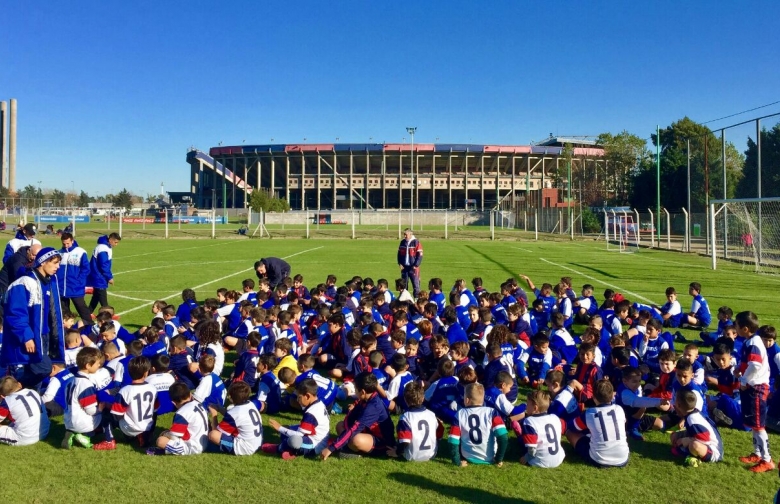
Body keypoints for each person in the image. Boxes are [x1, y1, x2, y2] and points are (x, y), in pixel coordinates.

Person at [1, 247, 66, 390]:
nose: (57, 267)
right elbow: (16, 314)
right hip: (31, 337)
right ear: (43, 262)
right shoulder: (25, 283)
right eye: (54, 263)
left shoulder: (49, 281)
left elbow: (52, 311)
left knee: (35, 374)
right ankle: (14, 387)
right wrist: (27, 337)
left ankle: (31, 401)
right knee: (44, 368)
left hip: (44, 336)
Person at [320, 372, 395, 460]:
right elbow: (350, 418)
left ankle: (346, 450)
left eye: (355, 389)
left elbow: (355, 428)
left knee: (356, 440)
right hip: (367, 432)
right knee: (340, 425)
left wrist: (330, 448)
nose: (354, 392)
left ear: (362, 392)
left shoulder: (373, 407)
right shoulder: (365, 399)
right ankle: (345, 446)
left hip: (382, 442)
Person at [734, 311, 775, 472]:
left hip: (756, 388)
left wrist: (744, 380)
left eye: (736, 325)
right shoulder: (751, 340)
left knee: (758, 426)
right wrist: (740, 369)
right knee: (753, 424)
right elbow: (750, 363)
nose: (735, 327)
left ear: (744, 328)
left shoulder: (753, 343)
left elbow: (756, 365)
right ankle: (758, 454)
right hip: (752, 387)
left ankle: (767, 460)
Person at [95, 356, 157, 450]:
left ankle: (109, 441)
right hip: (147, 426)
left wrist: (107, 406)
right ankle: (144, 435)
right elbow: (155, 410)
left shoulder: (125, 391)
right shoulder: (153, 388)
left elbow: (117, 415)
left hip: (130, 427)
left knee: (107, 412)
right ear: (146, 373)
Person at [566, 379, 629, 468]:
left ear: (593, 397)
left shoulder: (590, 413)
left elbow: (572, 427)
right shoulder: (619, 409)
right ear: (612, 395)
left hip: (599, 459)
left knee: (570, 432)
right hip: (623, 458)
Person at [262, 378, 331, 459]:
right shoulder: (319, 403)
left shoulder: (311, 413)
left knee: (293, 440)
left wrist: (279, 428)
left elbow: (298, 435)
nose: (297, 400)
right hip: (317, 437)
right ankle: (292, 452)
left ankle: (278, 448)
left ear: (307, 396)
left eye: (299, 397)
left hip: (315, 445)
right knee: (285, 433)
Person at [448, 382, 508, 467]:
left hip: (467, 456)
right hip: (490, 457)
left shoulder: (459, 414)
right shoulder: (492, 412)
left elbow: (453, 441)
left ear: (467, 400)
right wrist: (499, 458)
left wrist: (457, 461)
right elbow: (503, 437)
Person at [151, 382, 210, 456]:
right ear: (190, 395)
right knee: (165, 434)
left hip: (193, 447)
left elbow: (174, 436)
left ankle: (167, 451)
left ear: (174, 403)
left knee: (161, 441)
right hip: (204, 441)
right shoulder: (198, 404)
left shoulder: (182, 412)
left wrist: (165, 434)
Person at [62, 347, 104, 449]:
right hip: (81, 422)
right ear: (88, 365)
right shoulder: (85, 384)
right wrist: (101, 408)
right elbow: (91, 410)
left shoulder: (70, 381)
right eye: (97, 363)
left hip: (68, 421)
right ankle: (85, 436)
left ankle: (72, 432)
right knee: (107, 415)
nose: (99, 365)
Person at [208, 381, 264, 456]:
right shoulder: (250, 404)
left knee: (213, 435)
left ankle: (226, 445)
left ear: (231, 397)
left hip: (244, 448)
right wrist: (220, 408)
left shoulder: (235, 413)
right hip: (256, 443)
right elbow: (234, 417)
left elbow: (216, 432)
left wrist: (214, 414)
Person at [388, 382, 438, 462]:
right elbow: (439, 433)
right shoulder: (432, 414)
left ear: (405, 399)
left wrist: (397, 452)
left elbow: (405, 441)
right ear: (423, 398)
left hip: (412, 456)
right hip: (432, 453)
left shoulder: (406, 418)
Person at [670, 390, 723, 464]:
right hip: (701, 440)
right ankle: (685, 449)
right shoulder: (692, 414)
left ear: (678, 405)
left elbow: (705, 438)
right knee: (674, 436)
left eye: (675, 400)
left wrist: (687, 440)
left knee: (694, 446)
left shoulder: (693, 419)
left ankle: (688, 452)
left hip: (713, 451)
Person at [519, 390, 566, 468]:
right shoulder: (555, 417)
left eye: (527, 404)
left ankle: (518, 432)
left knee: (522, 441)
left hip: (539, 461)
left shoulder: (529, 422)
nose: (526, 406)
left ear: (535, 408)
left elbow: (532, 450)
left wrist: (526, 458)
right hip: (559, 459)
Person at [0, 375, 50, 446]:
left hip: (26, 438)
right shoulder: (33, 392)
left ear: (2, 396)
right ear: (19, 384)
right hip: (44, 431)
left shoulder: (7, 401)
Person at [58, 232, 92, 326]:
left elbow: (86, 268)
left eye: (68, 243)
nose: (66, 245)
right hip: (61, 289)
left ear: (72, 241)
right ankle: (68, 330)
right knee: (64, 313)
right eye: (64, 243)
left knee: (82, 309)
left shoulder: (80, 252)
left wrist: (79, 281)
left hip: (76, 287)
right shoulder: (59, 253)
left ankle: (90, 327)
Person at [87, 233, 121, 313]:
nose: (116, 244)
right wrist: (109, 277)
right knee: (103, 298)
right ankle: (107, 314)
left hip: (97, 276)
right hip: (99, 276)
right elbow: (103, 265)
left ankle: (88, 312)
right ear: (110, 240)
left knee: (96, 296)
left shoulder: (104, 246)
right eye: (115, 242)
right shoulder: (103, 248)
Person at [397, 228, 423, 298]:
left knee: (416, 285)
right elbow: (399, 254)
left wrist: (416, 265)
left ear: (411, 234)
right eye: (404, 234)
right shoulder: (402, 242)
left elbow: (420, 255)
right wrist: (400, 263)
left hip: (413, 267)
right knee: (404, 285)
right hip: (404, 267)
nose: (405, 236)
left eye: (406, 234)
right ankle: (404, 300)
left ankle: (417, 300)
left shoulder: (416, 242)